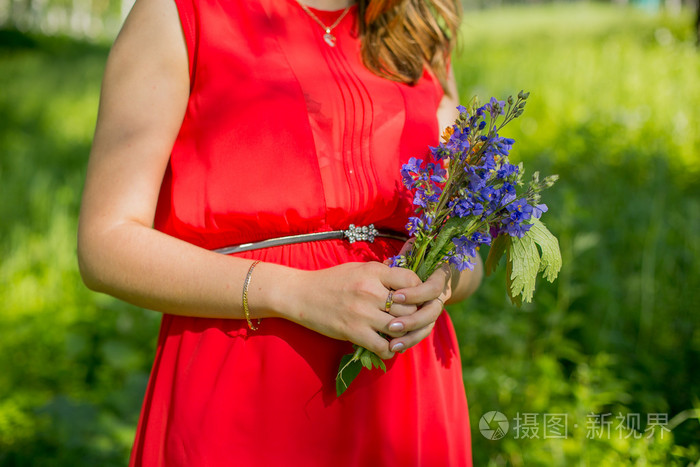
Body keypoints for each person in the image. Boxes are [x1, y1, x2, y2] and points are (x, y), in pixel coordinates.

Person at [78, 0, 482, 464]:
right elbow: (105, 242)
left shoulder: (417, 25)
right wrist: (292, 292)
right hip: (245, 389)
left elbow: (464, 251)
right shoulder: (181, 13)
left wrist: (443, 278)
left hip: (404, 393)